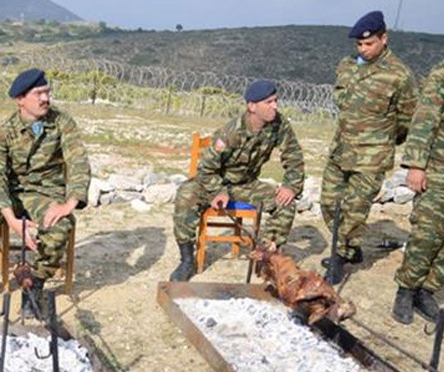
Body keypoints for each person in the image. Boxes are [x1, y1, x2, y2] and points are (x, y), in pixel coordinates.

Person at [0, 68, 91, 323]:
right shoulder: (5, 131)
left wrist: (70, 203)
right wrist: (11, 220)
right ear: (20, 99)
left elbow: (78, 161)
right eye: (38, 93)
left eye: (47, 92)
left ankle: (34, 287)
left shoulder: (62, 122)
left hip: (45, 193)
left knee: (59, 227)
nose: (46, 98)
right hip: (8, 193)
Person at [170, 79, 305, 282]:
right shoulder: (230, 132)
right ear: (252, 106)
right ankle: (187, 260)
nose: (275, 106)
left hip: (246, 184)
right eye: (269, 102)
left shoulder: (279, 125)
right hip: (215, 181)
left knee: (285, 203)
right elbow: (206, 168)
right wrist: (218, 191)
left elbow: (294, 156)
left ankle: (266, 256)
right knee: (185, 195)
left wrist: (290, 186)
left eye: (275, 101)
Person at [320, 11, 417, 285]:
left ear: (383, 39)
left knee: (353, 210)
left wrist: (386, 140)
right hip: (341, 150)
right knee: (328, 203)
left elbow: (408, 118)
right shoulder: (347, 65)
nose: (363, 48)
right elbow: (341, 98)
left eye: (369, 43)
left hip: (372, 157)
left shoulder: (399, 74)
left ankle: (339, 259)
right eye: (359, 44)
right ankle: (351, 248)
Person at [392, 56, 444, 325]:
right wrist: (416, 165)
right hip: (440, 172)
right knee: (427, 234)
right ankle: (406, 290)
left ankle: (426, 291)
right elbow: (425, 120)